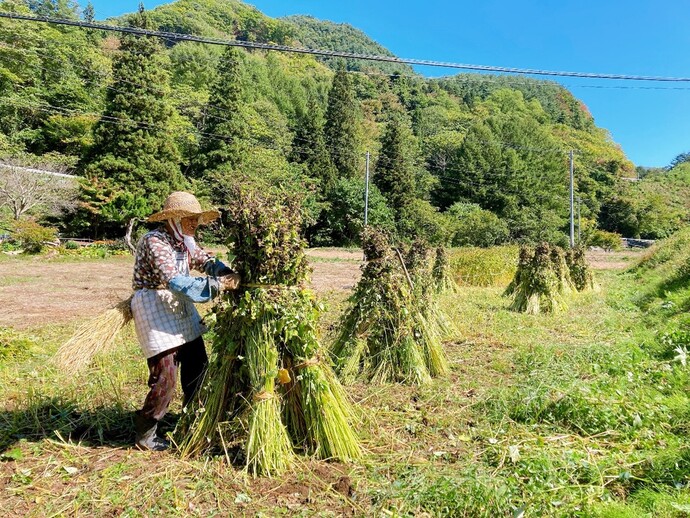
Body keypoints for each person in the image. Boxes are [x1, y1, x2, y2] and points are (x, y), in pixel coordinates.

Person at [130, 191, 239, 451]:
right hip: (154, 305)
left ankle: (192, 418)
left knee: (197, 363)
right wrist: (216, 286)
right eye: (190, 219)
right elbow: (174, 280)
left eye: (197, 219)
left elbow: (203, 259)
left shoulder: (185, 241)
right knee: (166, 374)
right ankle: (146, 432)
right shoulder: (155, 241)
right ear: (175, 219)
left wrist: (226, 272)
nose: (194, 224)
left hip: (179, 304)